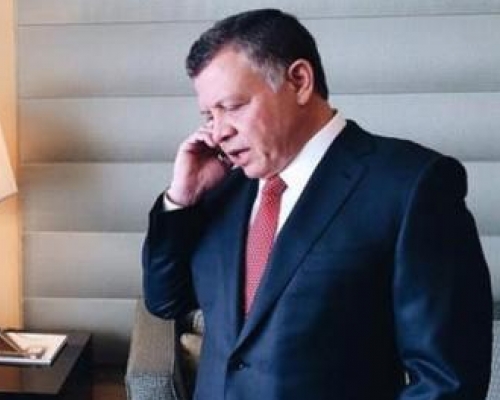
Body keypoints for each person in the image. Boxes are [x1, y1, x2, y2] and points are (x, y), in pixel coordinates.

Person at [142, 8, 492, 400]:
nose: (219, 131)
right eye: (209, 114)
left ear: (299, 81)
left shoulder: (411, 186)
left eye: (233, 106)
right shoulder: (222, 187)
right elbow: (165, 300)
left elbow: (448, 381)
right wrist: (181, 199)